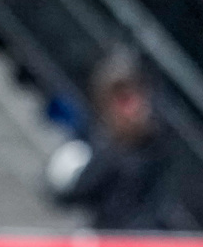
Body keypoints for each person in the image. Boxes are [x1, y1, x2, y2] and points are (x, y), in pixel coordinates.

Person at [47, 49, 175, 230]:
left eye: (135, 97)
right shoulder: (99, 145)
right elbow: (72, 194)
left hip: (144, 237)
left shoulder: (158, 144)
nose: (132, 107)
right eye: (123, 100)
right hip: (109, 237)